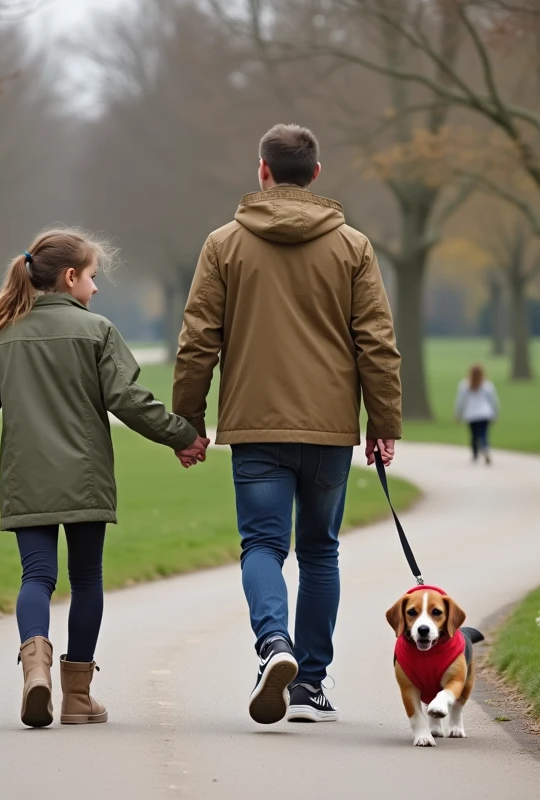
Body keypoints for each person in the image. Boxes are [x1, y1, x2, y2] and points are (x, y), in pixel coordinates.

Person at [173, 124, 402, 725]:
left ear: (262, 170)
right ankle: (309, 687)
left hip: (254, 425)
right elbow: (376, 340)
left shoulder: (223, 244)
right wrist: (384, 422)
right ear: (316, 174)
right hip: (329, 429)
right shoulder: (353, 246)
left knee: (262, 546)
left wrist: (188, 422)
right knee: (320, 553)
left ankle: (275, 645)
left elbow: (199, 340)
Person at [0, 228, 209, 729]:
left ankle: (35, 670)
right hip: (86, 479)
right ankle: (77, 698)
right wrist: (181, 435)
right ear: (70, 277)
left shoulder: (4, 334)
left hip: (25, 478)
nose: (96, 288)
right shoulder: (97, 331)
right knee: (86, 579)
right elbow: (129, 399)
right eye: (92, 277)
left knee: (36, 577)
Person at [454, 364, 500, 465]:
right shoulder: (487, 385)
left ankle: (475, 454)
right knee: (483, 433)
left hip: (472, 414)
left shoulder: (464, 384)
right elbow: (494, 401)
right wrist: (496, 414)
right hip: (485, 413)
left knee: (474, 435)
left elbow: (460, 402)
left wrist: (458, 415)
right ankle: (485, 448)